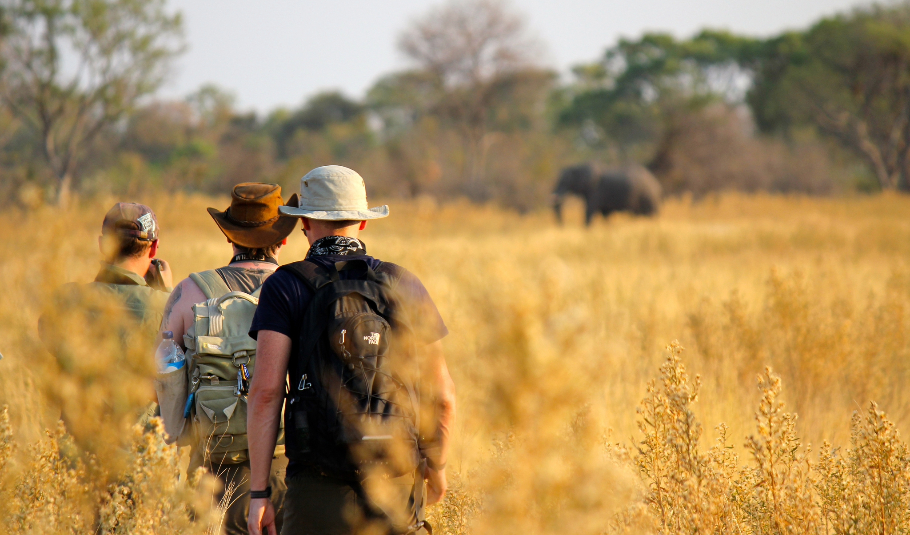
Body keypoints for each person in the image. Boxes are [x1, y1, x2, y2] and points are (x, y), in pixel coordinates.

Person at [246, 165, 456, 535]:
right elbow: (443, 395)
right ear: (363, 223)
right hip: (395, 479)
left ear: (305, 224)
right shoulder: (402, 282)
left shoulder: (285, 286)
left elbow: (265, 394)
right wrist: (435, 466)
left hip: (316, 484)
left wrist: (260, 493)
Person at [158, 183, 298, 535]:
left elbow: (161, 379)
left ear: (228, 237)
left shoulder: (188, 292)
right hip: (286, 468)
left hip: (210, 473)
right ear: (282, 240)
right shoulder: (298, 289)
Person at [38, 202, 173, 436]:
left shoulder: (67, 301)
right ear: (154, 249)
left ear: (103, 245)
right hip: (144, 459)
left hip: (79, 456)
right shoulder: (167, 306)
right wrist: (167, 294)